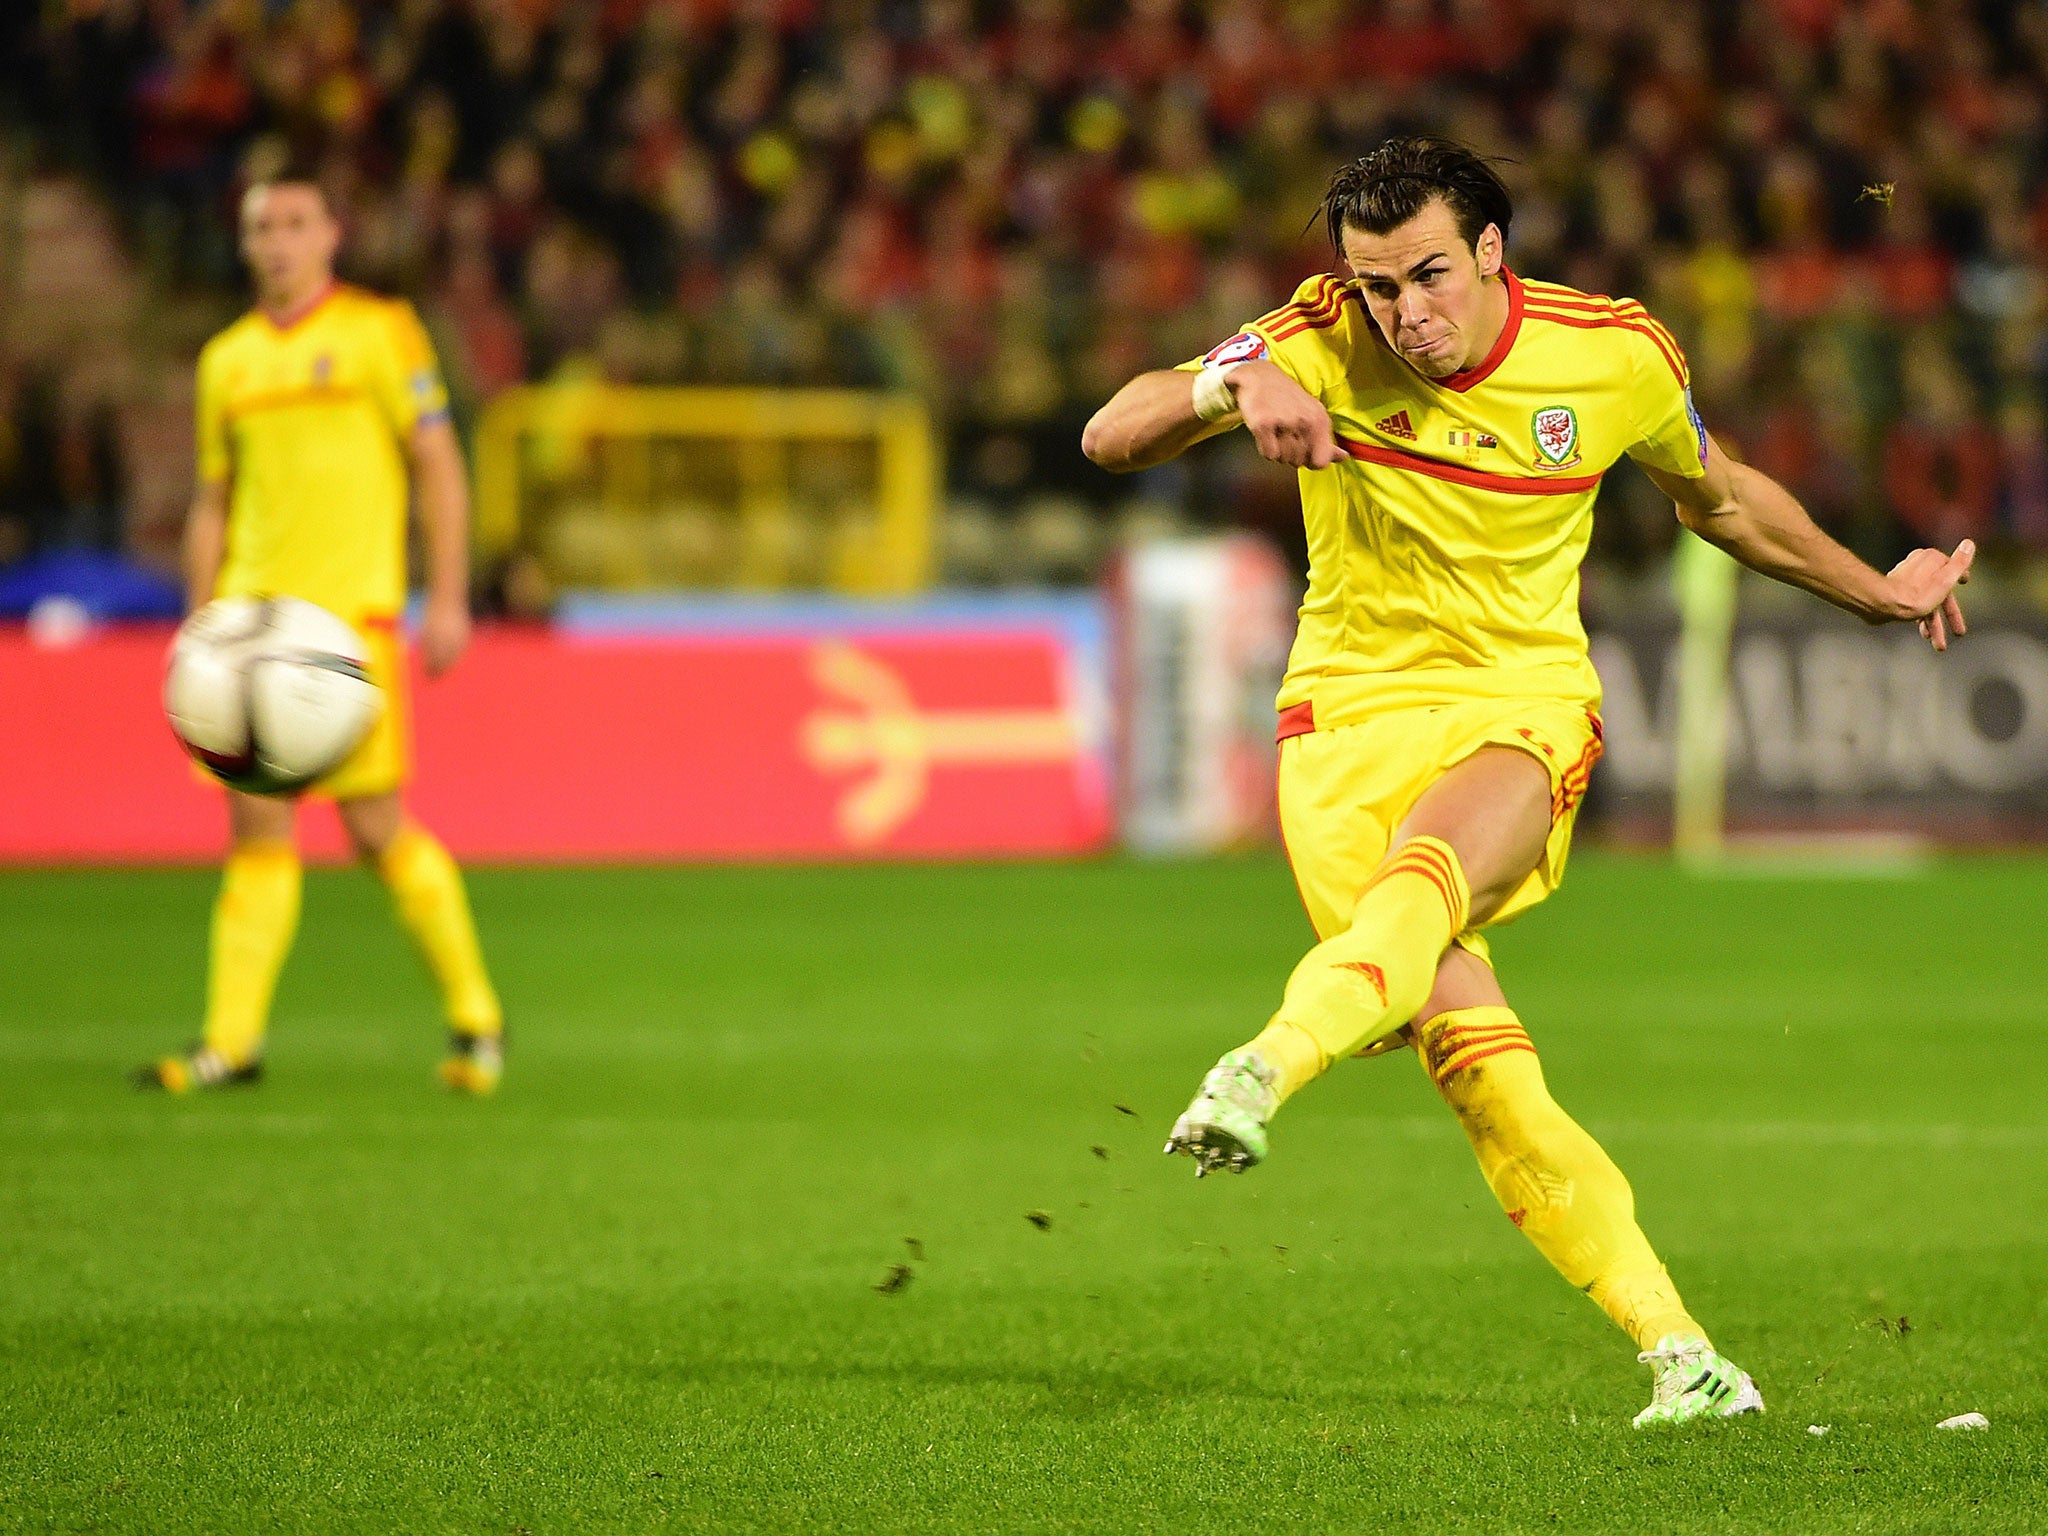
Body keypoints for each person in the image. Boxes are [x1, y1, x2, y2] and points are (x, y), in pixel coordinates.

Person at [1081, 137, 1973, 1427]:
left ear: (1490, 252)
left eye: (1427, 276)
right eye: (1377, 285)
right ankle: (1683, 1357)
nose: (1404, 313)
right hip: (1342, 725)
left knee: (1424, 874)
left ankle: (1262, 1067)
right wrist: (1236, 383)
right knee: (1486, 1076)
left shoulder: (1612, 353)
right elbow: (1115, 432)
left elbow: (1715, 499)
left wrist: (1873, 594)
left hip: (1518, 701)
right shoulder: (1316, 332)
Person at [134, 171, 506, 1096]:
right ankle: (231, 1043)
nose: (277, 242)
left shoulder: (382, 333)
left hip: (347, 635)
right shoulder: (228, 360)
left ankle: (476, 1019)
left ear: (331, 235)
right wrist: (199, 620)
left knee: (376, 827)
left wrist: (449, 596)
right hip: (251, 636)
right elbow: (212, 501)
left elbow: (438, 465)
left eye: (296, 224)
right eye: (262, 226)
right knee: (255, 829)